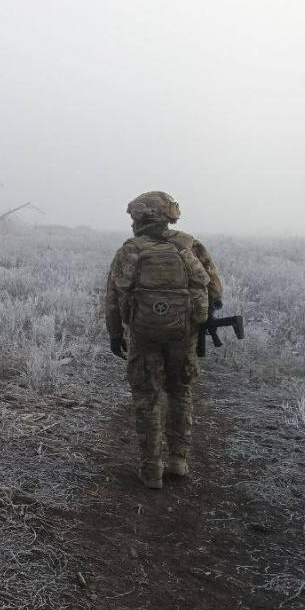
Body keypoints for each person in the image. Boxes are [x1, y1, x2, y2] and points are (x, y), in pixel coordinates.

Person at [104, 191, 223, 489]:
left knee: (147, 398)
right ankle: (178, 462)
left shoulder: (130, 250)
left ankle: (151, 470)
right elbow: (215, 291)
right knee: (180, 393)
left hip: (144, 336)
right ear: (170, 215)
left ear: (139, 218)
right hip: (183, 336)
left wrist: (115, 334)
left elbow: (113, 296)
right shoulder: (189, 245)